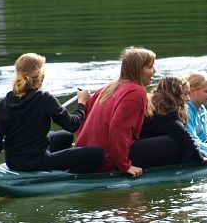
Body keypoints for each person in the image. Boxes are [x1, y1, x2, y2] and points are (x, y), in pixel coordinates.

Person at [0, 53, 103, 174]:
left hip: (13, 163)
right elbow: (72, 125)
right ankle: (66, 178)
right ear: (40, 75)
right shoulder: (44, 98)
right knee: (98, 153)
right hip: (38, 162)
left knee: (66, 136)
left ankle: (56, 169)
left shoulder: (4, 102)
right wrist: (82, 103)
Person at [76, 46, 177, 176]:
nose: (155, 71)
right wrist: (124, 165)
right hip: (108, 161)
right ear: (138, 69)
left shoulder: (109, 86)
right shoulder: (136, 92)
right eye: (150, 67)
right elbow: (118, 129)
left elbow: (85, 116)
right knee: (172, 143)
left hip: (87, 155)